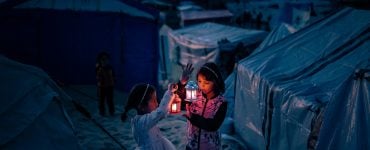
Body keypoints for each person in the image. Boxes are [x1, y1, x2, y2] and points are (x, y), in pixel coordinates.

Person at [177, 62, 227, 150]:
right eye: (199, 81)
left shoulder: (221, 102)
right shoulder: (195, 95)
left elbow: (213, 125)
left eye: (206, 82)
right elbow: (180, 99)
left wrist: (193, 117)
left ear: (215, 82)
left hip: (210, 146)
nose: (202, 85)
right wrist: (182, 82)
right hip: (192, 144)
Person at [121, 83, 178, 150]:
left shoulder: (146, 118)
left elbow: (161, 115)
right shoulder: (141, 122)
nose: (157, 103)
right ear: (142, 106)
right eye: (154, 100)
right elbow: (161, 112)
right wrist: (169, 92)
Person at [96, 52, 115, 116]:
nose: (105, 61)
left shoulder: (110, 68)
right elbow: (98, 77)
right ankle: (102, 111)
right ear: (100, 60)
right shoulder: (99, 68)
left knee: (110, 100)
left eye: (106, 59)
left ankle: (111, 111)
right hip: (102, 86)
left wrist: (113, 82)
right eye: (103, 59)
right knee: (101, 100)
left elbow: (113, 76)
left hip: (109, 86)